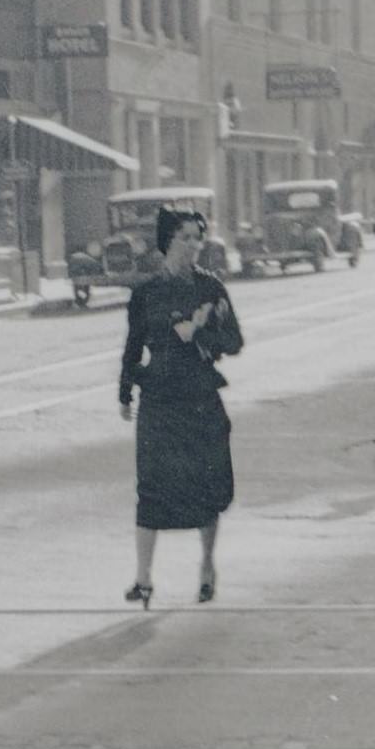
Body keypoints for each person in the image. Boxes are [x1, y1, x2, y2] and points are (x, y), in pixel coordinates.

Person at [118, 207, 244, 608]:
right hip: (159, 397)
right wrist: (125, 391)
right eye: (185, 237)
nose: (193, 245)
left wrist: (203, 332)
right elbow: (133, 346)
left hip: (200, 397)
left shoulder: (212, 288)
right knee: (151, 485)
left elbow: (235, 341)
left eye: (198, 237)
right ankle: (143, 578)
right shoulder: (146, 293)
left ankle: (207, 565)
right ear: (167, 241)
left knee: (206, 485)